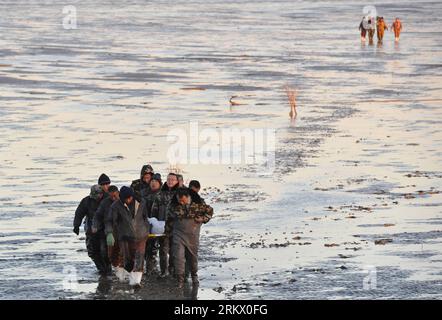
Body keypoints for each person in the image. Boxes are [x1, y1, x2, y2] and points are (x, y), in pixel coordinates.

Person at [167, 188, 214, 288]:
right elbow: (169, 220)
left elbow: (210, 211)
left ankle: (194, 276)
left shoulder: (198, 205)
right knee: (178, 257)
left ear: (188, 197)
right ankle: (180, 280)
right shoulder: (173, 206)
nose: (181, 202)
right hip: (178, 235)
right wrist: (167, 233)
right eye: (179, 200)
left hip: (192, 235)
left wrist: (203, 219)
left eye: (183, 200)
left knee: (192, 258)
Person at [108, 186, 147, 286]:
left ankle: (136, 281)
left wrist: (147, 229)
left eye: (130, 198)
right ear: (121, 198)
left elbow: (145, 217)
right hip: (125, 236)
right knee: (128, 260)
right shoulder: (115, 206)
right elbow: (110, 221)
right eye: (126, 198)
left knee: (139, 257)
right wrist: (109, 233)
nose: (129, 200)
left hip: (141, 235)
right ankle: (125, 275)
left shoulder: (141, 202)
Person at [73, 184, 106, 275]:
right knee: (92, 251)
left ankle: (107, 269)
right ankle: (101, 269)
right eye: (96, 195)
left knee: (104, 251)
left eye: (100, 194)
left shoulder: (106, 199)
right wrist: (76, 226)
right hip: (91, 230)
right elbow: (79, 213)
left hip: (104, 230)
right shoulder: (86, 201)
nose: (98, 197)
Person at [151, 173, 179, 277]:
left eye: (173, 179)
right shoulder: (160, 194)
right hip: (162, 227)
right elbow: (154, 211)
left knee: (174, 251)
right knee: (163, 250)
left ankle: (172, 269)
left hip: (176, 228)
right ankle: (163, 271)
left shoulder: (179, 194)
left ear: (177, 181)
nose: (170, 181)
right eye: (168, 179)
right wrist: (154, 225)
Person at [91, 185, 119, 276]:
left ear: (118, 193)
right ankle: (108, 269)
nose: (113, 198)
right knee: (104, 251)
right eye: (111, 196)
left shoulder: (123, 201)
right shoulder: (105, 203)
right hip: (108, 231)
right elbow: (97, 215)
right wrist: (95, 225)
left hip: (122, 231)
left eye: (115, 196)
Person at [143, 174, 163, 274]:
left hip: (161, 225)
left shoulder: (163, 195)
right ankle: (150, 269)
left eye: (156, 181)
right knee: (148, 247)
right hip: (148, 224)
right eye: (152, 181)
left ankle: (164, 269)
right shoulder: (144, 194)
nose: (153, 183)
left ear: (160, 183)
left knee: (162, 248)